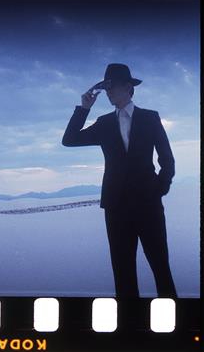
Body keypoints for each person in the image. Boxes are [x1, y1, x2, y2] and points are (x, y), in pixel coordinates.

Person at [62, 63, 177, 298]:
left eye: (112, 87)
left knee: (161, 267)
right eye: (105, 89)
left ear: (128, 87)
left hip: (149, 204)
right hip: (116, 207)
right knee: (122, 272)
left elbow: (167, 158)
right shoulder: (104, 123)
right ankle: (128, 325)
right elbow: (70, 140)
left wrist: (159, 189)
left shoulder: (150, 118)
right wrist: (84, 109)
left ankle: (177, 324)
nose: (108, 92)